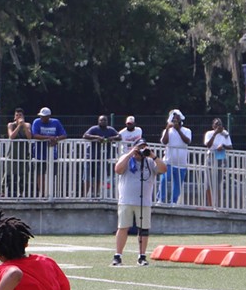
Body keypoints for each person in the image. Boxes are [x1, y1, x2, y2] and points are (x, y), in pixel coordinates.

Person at [112, 139, 165, 267]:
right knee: (123, 227)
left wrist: (152, 155)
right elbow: (118, 169)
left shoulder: (150, 162)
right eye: (139, 147)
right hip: (126, 200)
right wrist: (131, 153)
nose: (140, 151)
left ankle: (141, 256)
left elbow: (163, 169)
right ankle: (118, 256)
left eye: (142, 148)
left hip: (144, 201)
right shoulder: (126, 158)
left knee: (143, 229)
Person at [158, 109, 192, 205]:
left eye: (177, 120)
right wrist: (168, 129)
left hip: (181, 163)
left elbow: (187, 141)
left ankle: (173, 201)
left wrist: (178, 130)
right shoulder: (167, 130)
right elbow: (164, 142)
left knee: (177, 184)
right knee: (164, 179)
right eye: (173, 120)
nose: (175, 122)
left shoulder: (187, 130)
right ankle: (161, 199)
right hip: (168, 161)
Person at [30, 107, 66, 197]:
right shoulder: (36, 122)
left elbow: (64, 135)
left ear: (49, 116)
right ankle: (42, 193)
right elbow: (34, 135)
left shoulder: (56, 122)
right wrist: (48, 138)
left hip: (52, 153)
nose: (42, 118)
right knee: (40, 174)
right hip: (39, 153)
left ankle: (51, 193)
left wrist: (56, 138)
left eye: (44, 116)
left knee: (52, 174)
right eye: (41, 116)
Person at [81, 115, 119, 198]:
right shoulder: (94, 129)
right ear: (98, 121)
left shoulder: (110, 130)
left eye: (105, 120)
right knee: (87, 177)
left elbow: (119, 137)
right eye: (101, 120)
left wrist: (109, 139)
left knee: (98, 177)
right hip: (90, 157)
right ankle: (85, 196)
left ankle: (96, 195)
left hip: (101, 158)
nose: (103, 122)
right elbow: (85, 135)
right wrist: (97, 137)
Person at [203, 118, 232, 207]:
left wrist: (223, 146)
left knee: (218, 183)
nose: (218, 126)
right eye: (216, 124)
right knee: (209, 183)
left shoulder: (225, 134)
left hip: (220, 156)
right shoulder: (209, 133)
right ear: (213, 126)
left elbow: (230, 146)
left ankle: (216, 204)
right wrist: (215, 133)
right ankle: (210, 204)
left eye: (219, 124)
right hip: (211, 157)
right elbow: (208, 145)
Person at [4, 107, 31, 197]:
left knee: (23, 174)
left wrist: (23, 126)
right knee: (9, 173)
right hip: (12, 153)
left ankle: (22, 192)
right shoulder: (11, 125)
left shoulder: (27, 125)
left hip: (23, 153)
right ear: (14, 117)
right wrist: (19, 126)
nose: (18, 117)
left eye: (20, 115)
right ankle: (5, 191)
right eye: (17, 115)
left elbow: (29, 137)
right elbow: (11, 136)